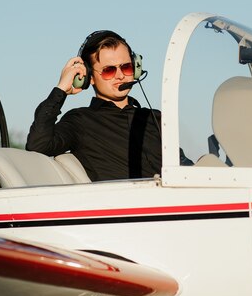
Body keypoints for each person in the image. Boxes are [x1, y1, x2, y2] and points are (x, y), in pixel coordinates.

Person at [26, 30, 191, 182]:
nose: (120, 76)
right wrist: (61, 89)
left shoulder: (154, 118)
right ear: (89, 77)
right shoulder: (80, 120)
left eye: (126, 67)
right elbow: (38, 145)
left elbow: (182, 165)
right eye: (109, 70)